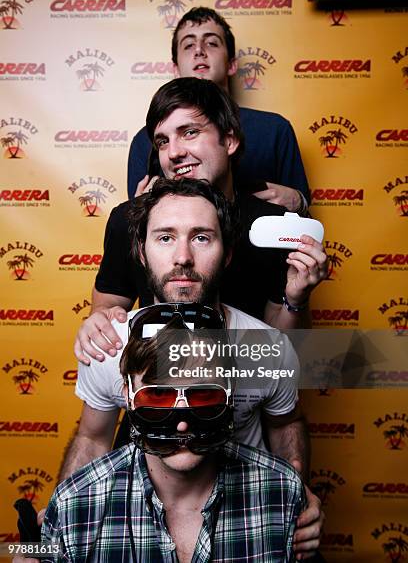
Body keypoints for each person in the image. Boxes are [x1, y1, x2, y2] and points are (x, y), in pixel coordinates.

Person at [64, 179, 322, 560]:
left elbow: (285, 424)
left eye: (201, 238)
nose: (182, 256)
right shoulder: (108, 345)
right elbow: (93, 438)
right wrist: (61, 521)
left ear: (227, 253)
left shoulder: (269, 346)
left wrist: (293, 500)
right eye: (165, 238)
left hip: (245, 519)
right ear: (141, 250)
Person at [76, 77, 327, 365]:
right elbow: (107, 304)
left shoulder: (274, 226)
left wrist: (296, 300)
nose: (173, 152)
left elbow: (284, 348)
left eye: (190, 132)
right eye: (163, 141)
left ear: (230, 140)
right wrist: (99, 321)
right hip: (155, 385)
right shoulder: (129, 219)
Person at [42, 306, 306, 562]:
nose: (181, 425)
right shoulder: (72, 503)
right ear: (128, 395)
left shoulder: (283, 493)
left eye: (203, 393)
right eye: (157, 395)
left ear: (230, 393)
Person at [128, 6, 310, 213]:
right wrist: (140, 210)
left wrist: (300, 201)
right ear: (175, 69)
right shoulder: (145, 139)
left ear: (232, 64)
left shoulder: (274, 129)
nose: (199, 51)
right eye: (188, 45)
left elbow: (305, 222)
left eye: (212, 43)